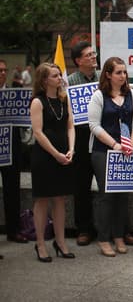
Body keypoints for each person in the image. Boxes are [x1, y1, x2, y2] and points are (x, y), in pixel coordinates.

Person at [88, 57, 133, 257]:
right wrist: (115, 145)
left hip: (127, 151)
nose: (123, 76)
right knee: (106, 195)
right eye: (118, 72)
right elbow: (94, 126)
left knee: (122, 195)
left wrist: (130, 144)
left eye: (124, 72)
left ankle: (119, 235)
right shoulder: (99, 96)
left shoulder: (132, 95)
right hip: (103, 151)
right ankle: (103, 238)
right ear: (108, 74)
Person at [29, 63, 75, 262]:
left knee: (60, 199)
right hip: (45, 156)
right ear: (44, 80)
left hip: (64, 153)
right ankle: (40, 244)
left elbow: (71, 126)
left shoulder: (65, 100)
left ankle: (61, 241)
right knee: (42, 199)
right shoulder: (38, 102)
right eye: (55, 76)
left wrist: (71, 149)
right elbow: (37, 132)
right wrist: (56, 154)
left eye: (59, 75)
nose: (60, 78)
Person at [67, 41, 99, 246]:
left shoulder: (103, 79)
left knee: (110, 187)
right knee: (81, 186)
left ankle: (114, 229)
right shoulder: (69, 82)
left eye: (94, 53)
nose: (94, 57)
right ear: (78, 61)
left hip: (102, 138)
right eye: (88, 55)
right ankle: (84, 229)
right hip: (79, 139)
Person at [0, 59, 28, 245]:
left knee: (12, 190)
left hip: (10, 146)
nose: (2, 73)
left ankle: (14, 230)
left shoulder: (14, 93)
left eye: (4, 70)